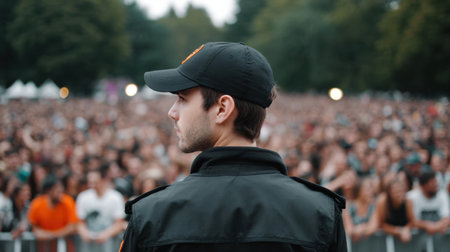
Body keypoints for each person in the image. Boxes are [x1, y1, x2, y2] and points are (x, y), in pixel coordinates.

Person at [119, 42, 347, 251]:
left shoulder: (153, 214)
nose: (172, 112)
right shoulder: (319, 212)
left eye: (183, 98)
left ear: (222, 108)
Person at [76, 166, 126, 252]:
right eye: (90, 182)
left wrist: (105, 234)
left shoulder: (115, 197)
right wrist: (84, 232)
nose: (92, 185)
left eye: (95, 182)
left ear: (103, 180)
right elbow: (80, 222)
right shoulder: (83, 197)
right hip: (89, 244)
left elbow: (119, 223)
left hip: (110, 244)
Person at [27, 174, 78, 252]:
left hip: (65, 247)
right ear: (48, 190)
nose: (60, 190)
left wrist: (54, 235)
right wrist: (48, 235)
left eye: (61, 187)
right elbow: (34, 227)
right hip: (44, 248)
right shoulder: (37, 204)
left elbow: (72, 226)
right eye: (56, 188)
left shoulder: (68, 201)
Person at [407, 170, 449, 234]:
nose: (435, 185)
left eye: (435, 182)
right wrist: (428, 226)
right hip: (417, 239)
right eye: (432, 183)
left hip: (439, 239)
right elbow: (413, 221)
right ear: (423, 186)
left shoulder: (442, 195)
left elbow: (446, 218)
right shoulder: (411, 197)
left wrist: (435, 227)